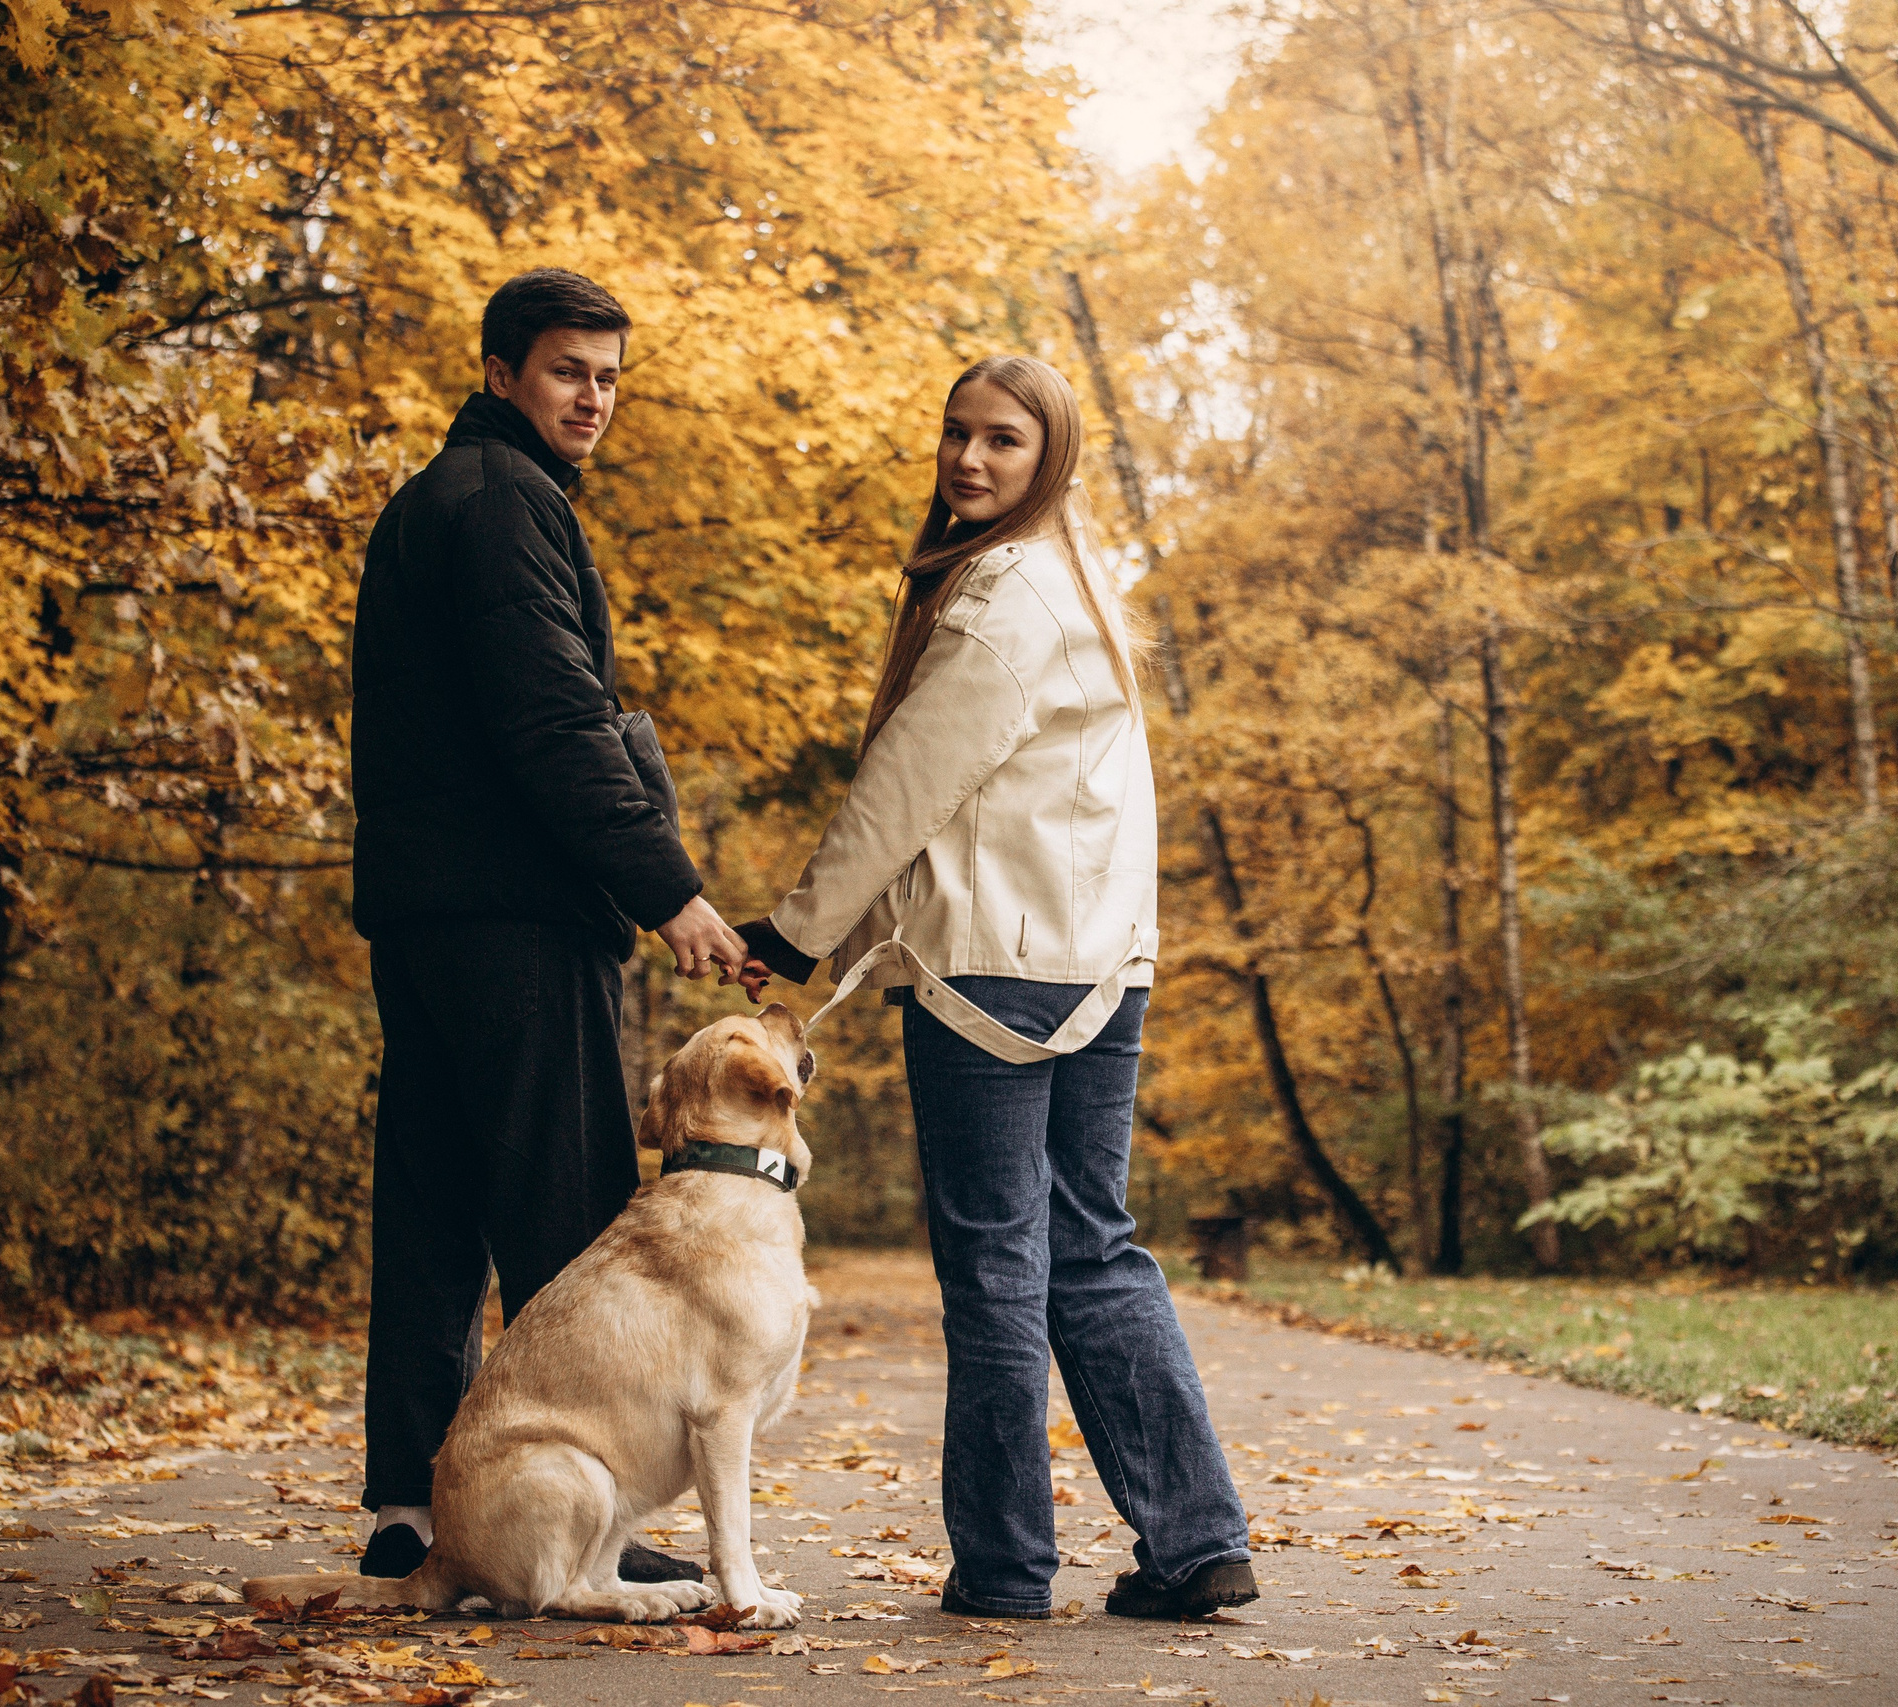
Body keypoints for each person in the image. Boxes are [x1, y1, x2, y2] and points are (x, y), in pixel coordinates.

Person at [734, 356, 1256, 1621]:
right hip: (1100, 969)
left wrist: (796, 938)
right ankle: (1195, 1542)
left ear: (1051, 459)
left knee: (998, 1270)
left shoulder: (999, 601)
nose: (970, 460)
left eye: (1004, 442)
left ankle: (1009, 1569)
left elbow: (899, 793)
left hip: (992, 980)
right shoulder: (1084, 584)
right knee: (1091, 1245)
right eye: (958, 436)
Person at [347, 268, 747, 1582]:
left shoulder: (429, 502)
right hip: (516, 913)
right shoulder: (508, 503)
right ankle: (589, 1527)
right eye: (573, 370)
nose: (595, 398)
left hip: (427, 913)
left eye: (612, 377)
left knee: (432, 1203)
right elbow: (554, 722)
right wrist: (665, 887)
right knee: (568, 1220)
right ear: (506, 369)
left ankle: (415, 1507)